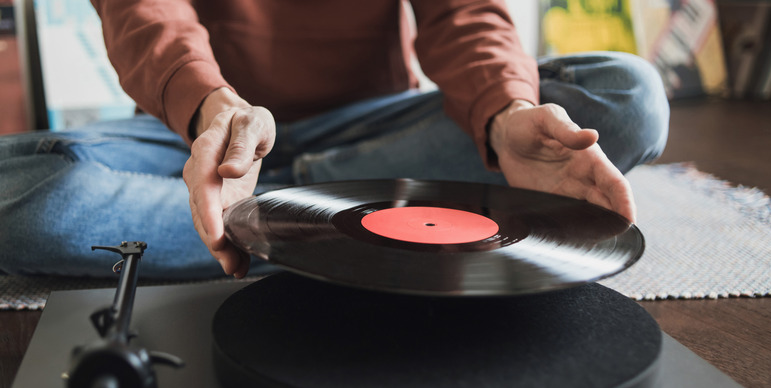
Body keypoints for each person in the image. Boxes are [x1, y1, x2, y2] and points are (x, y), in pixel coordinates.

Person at [0, 0, 669, 280]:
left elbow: (463, 12)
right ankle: (358, 224)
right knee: (22, 190)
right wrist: (213, 109)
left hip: (375, 126)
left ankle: (282, 219)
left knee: (628, 96)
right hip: (207, 132)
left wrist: (505, 111)